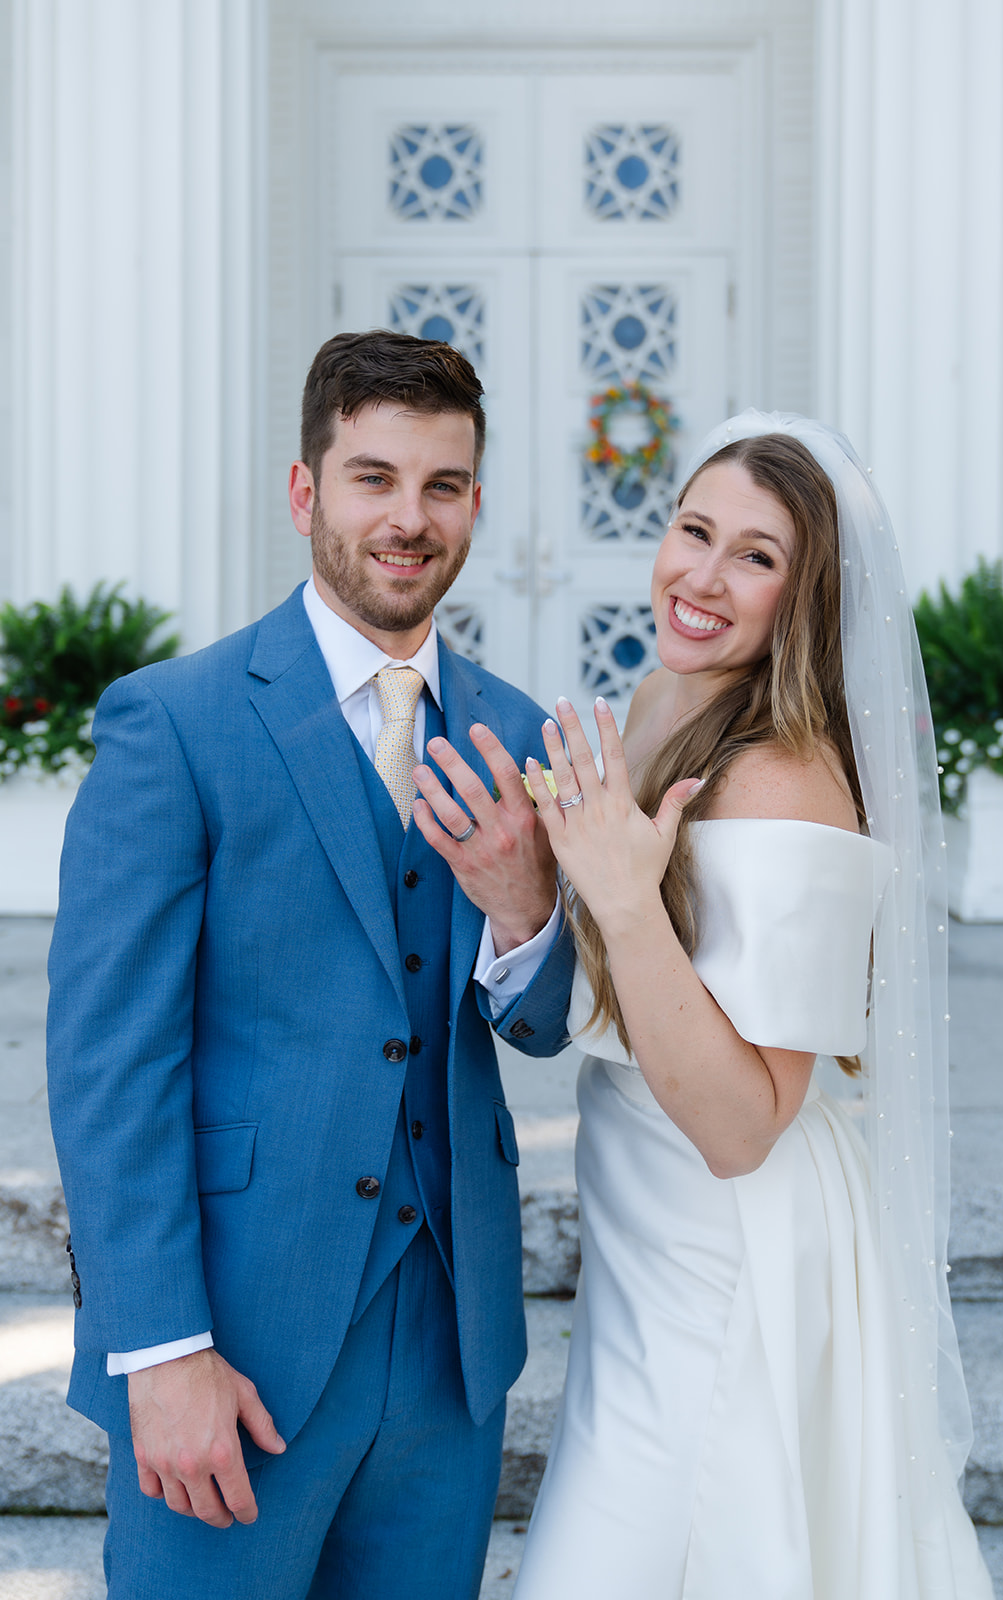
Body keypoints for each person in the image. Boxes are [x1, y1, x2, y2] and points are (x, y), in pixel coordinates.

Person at [46, 329, 573, 1600]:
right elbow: (110, 1065)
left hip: (447, 1351)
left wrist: (522, 915)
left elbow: (549, 1025)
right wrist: (160, 1350)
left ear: (474, 505)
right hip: (231, 1346)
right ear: (306, 493)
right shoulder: (174, 721)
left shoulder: (515, 729)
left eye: (441, 486)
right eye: (372, 478)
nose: (409, 518)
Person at [513, 413, 994, 1598]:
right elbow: (623, 997)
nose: (704, 576)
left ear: (807, 596)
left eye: (756, 556)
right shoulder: (654, 703)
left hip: (728, 1247)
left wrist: (621, 900)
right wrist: (520, 887)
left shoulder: (784, 774)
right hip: (642, 1238)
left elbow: (743, 1121)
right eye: (693, 530)